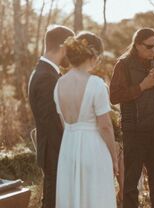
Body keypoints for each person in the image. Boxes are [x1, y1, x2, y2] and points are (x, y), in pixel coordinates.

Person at [109, 28, 154, 208]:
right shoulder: (123, 65)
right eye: (150, 46)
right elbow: (114, 96)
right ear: (138, 45)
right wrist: (141, 86)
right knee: (131, 182)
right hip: (134, 131)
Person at [54, 32, 117, 208]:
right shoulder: (96, 84)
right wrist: (113, 157)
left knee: (73, 196)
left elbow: (63, 122)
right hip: (93, 147)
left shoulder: (59, 84)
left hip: (68, 147)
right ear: (93, 55)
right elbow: (105, 126)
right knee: (95, 196)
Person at [28, 25, 74, 208]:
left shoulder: (46, 72)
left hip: (53, 148)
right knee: (54, 200)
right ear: (63, 46)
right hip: (55, 149)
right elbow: (52, 122)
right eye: (71, 49)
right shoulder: (46, 77)